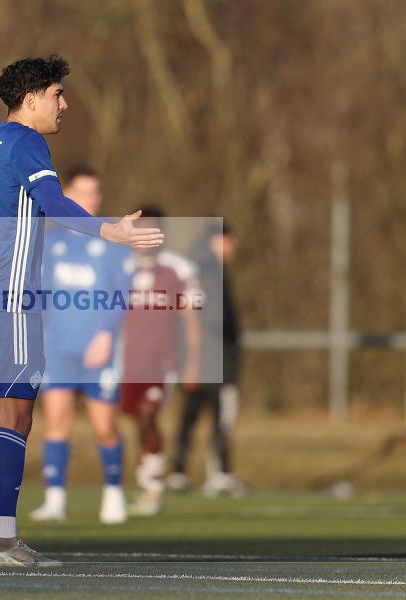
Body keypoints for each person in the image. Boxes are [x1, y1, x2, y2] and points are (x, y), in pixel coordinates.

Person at [0, 55, 163, 568]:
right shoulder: (27, 141)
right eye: (57, 94)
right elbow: (52, 200)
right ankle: (3, 541)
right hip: (7, 297)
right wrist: (108, 229)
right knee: (15, 414)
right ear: (31, 99)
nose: (64, 104)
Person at [30, 165, 132, 526]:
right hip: (58, 349)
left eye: (96, 192)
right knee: (57, 422)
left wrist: (105, 334)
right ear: (68, 196)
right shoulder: (51, 242)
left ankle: (114, 495)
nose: (91, 199)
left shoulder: (110, 242)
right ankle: (55, 499)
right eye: (83, 192)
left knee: (105, 426)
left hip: (99, 351)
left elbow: (123, 296)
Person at [119, 206, 202, 516]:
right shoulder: (121, 267)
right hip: (126, 363)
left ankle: (153, 485)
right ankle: (146, 478)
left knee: (147, 416)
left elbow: (192, 320)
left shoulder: (177, 270)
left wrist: (193, 362)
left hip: (162, 361)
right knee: (136, 422)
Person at [167, 221, 246, 497]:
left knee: (189, 417)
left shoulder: (194, 267)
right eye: (229, 242)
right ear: (218, 240)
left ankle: (178, 472)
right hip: (213, 360)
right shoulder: (209, 271)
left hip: (198, 358)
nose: (231, 249)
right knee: (219, 418)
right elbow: (210, 320)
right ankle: (220, 474)